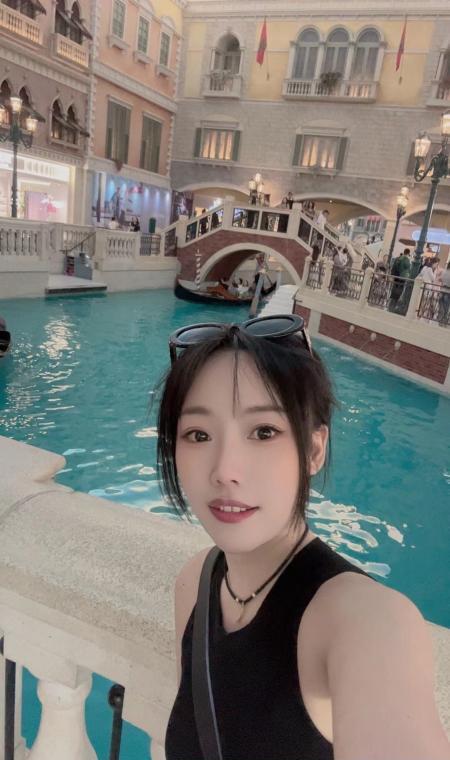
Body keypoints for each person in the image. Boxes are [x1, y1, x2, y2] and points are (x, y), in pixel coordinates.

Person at [157, 315, 449, 760]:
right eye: (198, 435)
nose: (224, 471)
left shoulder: (366, 622)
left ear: (314, 449)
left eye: (264, 432)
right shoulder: (194, 582)